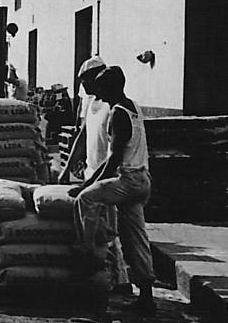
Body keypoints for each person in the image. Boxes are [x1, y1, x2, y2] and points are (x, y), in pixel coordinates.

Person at [70, 66, 156, 314]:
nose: (98, 93)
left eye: (101, 87)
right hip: (142, 179)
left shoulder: (117, 113)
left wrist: (86, 185)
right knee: (136, 238)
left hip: (127, 180)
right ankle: (147, 297)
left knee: (85, 199)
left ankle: (87, 254)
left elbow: (113, 160)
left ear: (112, 87)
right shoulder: (134, 107)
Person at [61, 56, 131, 293]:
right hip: (92, 173)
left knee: (111, 231)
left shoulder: (113, 105)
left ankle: (120, 280)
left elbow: (117, 150)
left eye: (86, 81)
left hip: (108, 174)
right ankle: (102, 275)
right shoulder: (89, 102)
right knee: (96, 228)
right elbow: (82, 134)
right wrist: (68, 166)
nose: (84, 87)